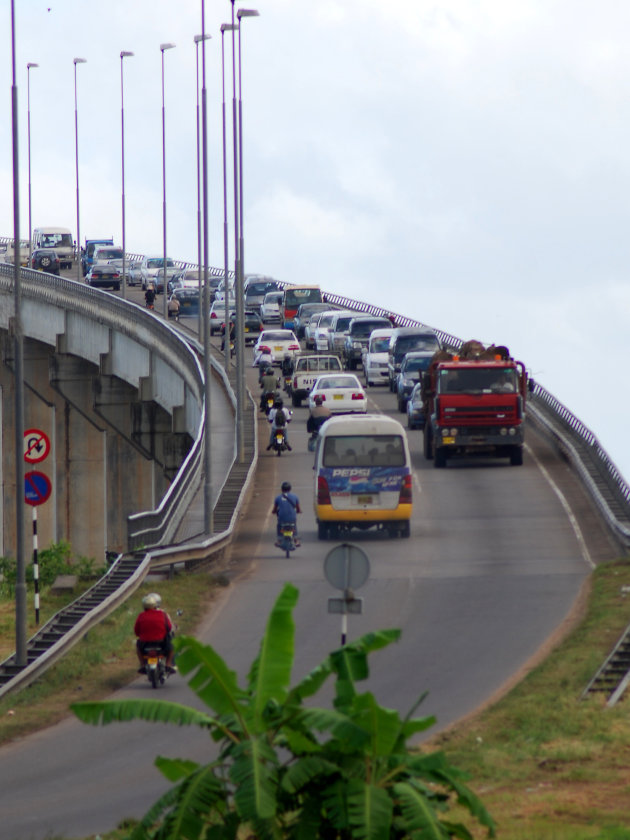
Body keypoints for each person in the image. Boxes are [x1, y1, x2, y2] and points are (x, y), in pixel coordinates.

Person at [134, 592, 177, 675]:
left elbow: (136, 631)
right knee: (172, 646)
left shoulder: (141, 616)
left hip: (145, 643)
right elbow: (168, 627)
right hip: (161, 642)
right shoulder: (163, 614)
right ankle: (168, 664)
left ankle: (142, 664)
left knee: (138, 649)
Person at [272, 480, 301, 546]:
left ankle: (279, 540)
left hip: (282, 518)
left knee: (279, 526)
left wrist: (273, 512)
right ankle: (296, 541)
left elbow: (274, 509)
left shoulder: (278, 498)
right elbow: (298, 508)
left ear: (282, 489)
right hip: (291, 518)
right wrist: (299, 511)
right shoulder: (295, 496)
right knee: (293, 525)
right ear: (290, 489)